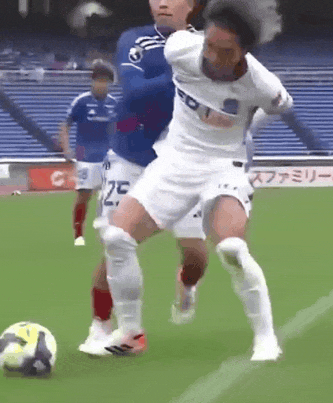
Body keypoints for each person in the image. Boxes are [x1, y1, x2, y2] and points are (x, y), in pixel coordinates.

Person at [93, 0, 290, 362]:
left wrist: (246, 126)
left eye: (225, 51)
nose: (212, 56)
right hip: (175, 161)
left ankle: (266, 339)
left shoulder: (262, 84)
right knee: (117, 238)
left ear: (244, 52)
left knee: (232, 249)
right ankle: (131, 332)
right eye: (209, 45)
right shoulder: (179, 48)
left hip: (223, 167)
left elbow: (280, 106)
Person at [77, 0, 210, 354]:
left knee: (195, 255)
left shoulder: (208, 44)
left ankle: (187, 283)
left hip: (182, 162)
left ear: (191, 5)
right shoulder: (135, 39)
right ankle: (103, 326)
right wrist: (185, 74)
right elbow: (134, 92)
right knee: (115, 242)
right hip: (130, 157)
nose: (162, 3)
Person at [58, 60, 117, 246]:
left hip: (109, 158)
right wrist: (66, 149)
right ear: (92, 81)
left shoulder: (114, 103)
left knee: (110, 197)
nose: (101, 84)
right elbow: (65, 126)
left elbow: (121, 128)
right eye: (98, 80)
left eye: (105, 81)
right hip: (86, 157)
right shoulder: (81, 101)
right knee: (84, 196)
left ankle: (106, 231)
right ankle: (78, 234)